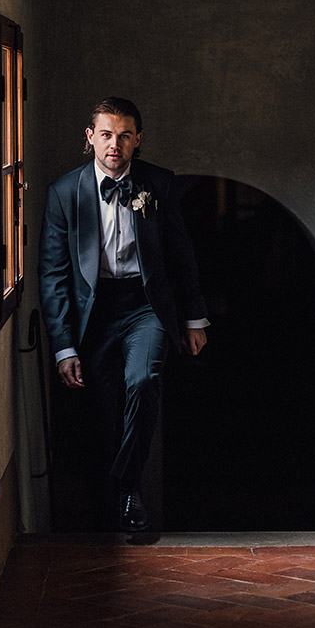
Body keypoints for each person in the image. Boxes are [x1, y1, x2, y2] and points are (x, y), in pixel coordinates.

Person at [38, 97, 208, 531]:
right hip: (92, 314)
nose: (116, 144)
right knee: (100, 410)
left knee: (145, 379)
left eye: (125, 135)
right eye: (107, 134)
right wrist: (62, 346)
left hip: (145, 306)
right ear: (90, 138)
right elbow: (54, 274)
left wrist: (193, 318)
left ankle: (129, 484)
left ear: (138, 140)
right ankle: (102, 507)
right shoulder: (63, 193)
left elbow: (181, 254)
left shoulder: (159, 184)